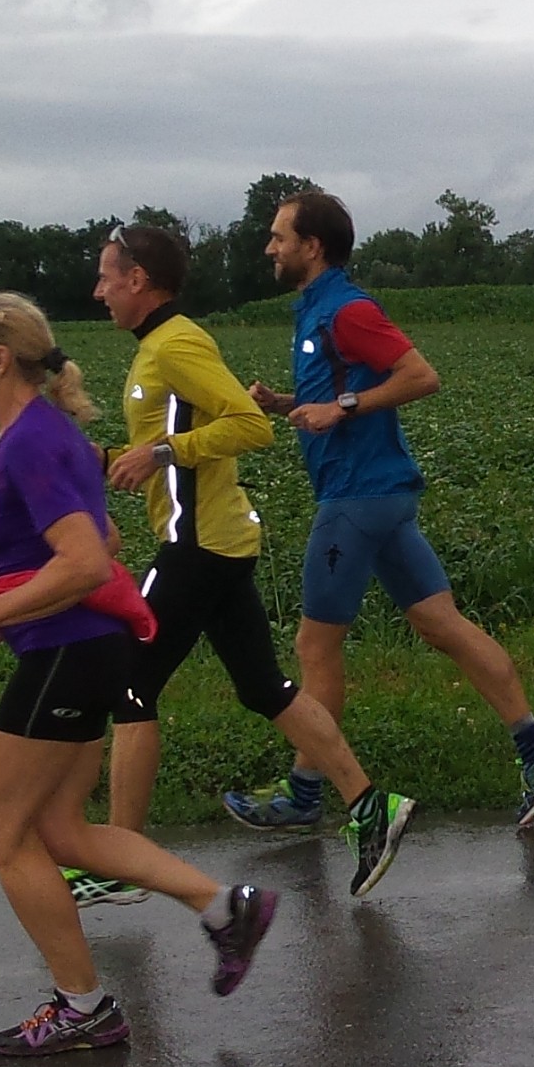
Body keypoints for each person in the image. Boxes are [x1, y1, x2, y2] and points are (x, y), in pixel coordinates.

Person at [0, 290, 277, 1058]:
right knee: (61, 829)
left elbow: (86, 562)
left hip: (65, 653)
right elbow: (106, 538)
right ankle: (225, 909)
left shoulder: (30, 441)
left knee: (2, 832)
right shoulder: (51, 434)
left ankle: (83, 1007)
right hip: (85, 650)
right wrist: (14, 589)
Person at [82, 224, 413, 899]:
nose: (98, 291)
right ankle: (372, 805)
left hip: (198, 546)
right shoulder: (158, 346)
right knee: (263, 687)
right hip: (220, 541)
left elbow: (249, 425)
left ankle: (123, 864)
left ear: (138, 280)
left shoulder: (177, 344)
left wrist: (159, 454)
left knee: (128, 683)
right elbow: (168, 446)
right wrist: (109, 459)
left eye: (106, 277)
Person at [232, 190, 534, 828]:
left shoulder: (349, 310)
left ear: (312, 246)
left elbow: (421, 375)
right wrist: (286, 404)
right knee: (440, 623)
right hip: (380, 495)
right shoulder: (318, 310)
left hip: (356, 498)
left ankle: (304, 794)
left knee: (314, 646)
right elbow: (342, 390)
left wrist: (342, 409)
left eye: (279, 237)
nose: (269, 247)